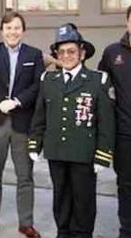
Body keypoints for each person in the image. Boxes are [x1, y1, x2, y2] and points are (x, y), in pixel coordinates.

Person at [29, 23, 115, 238]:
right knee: (61, 197)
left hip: (83, 153)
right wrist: (35, 143)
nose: (66, 56)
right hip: (56, 151)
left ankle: (82, 234)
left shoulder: (97, 80)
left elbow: (106, 122)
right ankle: (63, 232)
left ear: (82, 53)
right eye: (61, 52)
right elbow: (40, 116)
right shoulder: (49, 80)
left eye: (71, 51)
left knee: (83, 200)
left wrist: (102, 155)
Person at [0, 11, 44, 238]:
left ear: (23, 30)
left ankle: (26, 223)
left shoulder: (34, 54)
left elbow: (37, 86)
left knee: (25, 176)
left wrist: (17, 101)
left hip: (23, 121)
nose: (12, 32)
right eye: (8, 28)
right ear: (2, 30)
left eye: (16, 28)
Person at [98, 5, 131, 238]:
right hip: (125, 134)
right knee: (126, 186)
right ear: (127, 22)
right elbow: (101, 86)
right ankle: (127, 229)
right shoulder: (112, 53)